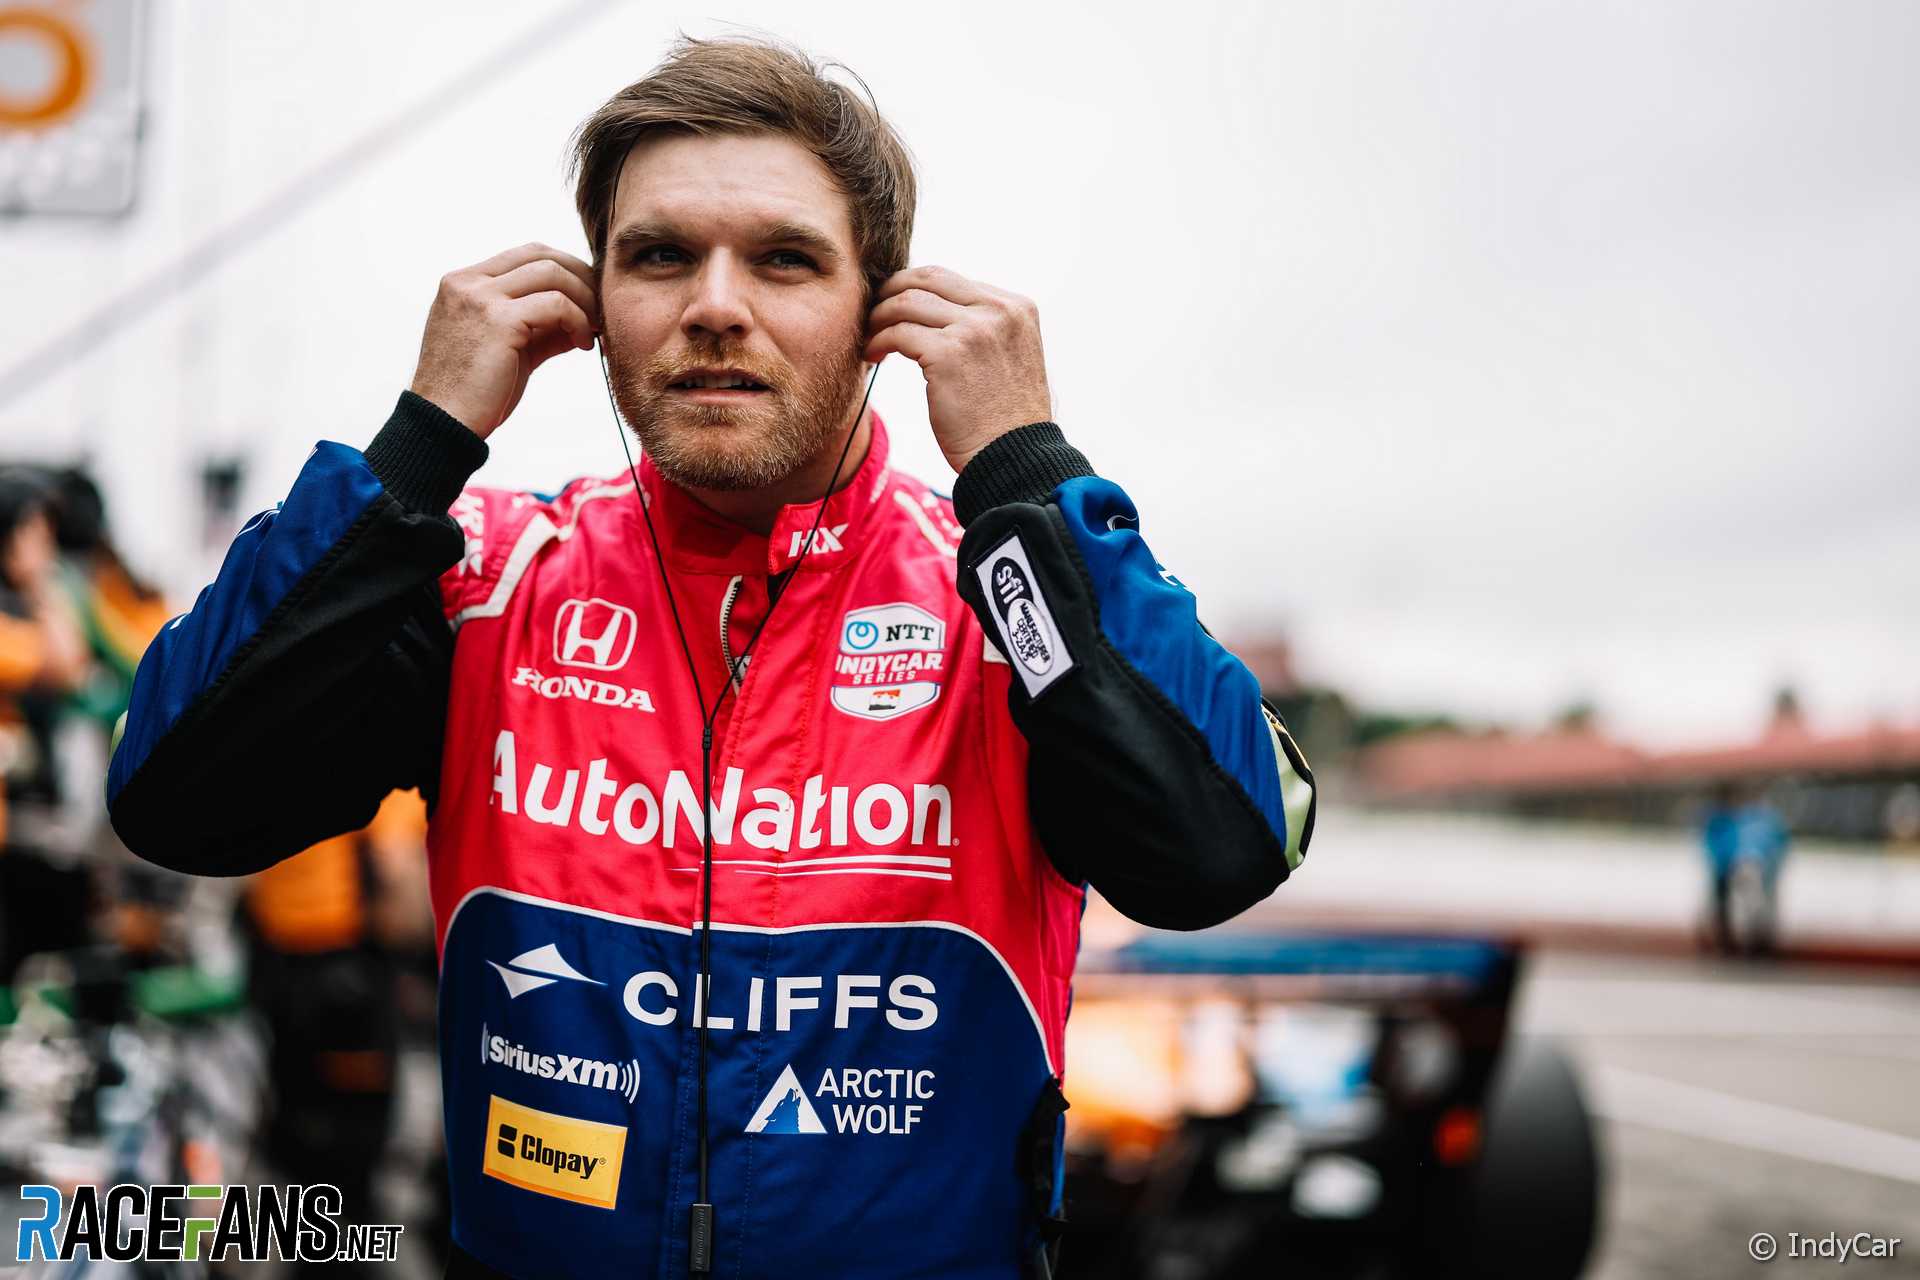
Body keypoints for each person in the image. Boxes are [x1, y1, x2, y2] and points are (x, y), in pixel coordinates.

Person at [108, 36, 1316, 1279]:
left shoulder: (1009, 599)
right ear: (593, 303)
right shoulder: (488, 575)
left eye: (786, 259)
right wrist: (416, 447)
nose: (716, 303)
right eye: (660, 255)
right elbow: (177, 798)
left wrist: (1030, 470)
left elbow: (1222, 851)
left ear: (879, 315)